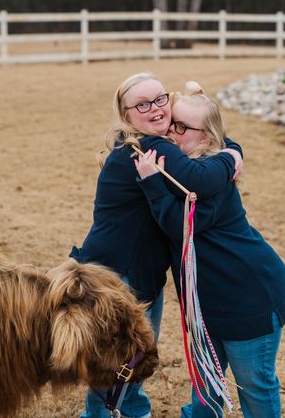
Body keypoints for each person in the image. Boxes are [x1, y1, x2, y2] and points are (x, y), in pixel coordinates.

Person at [70, 72, 243, 418]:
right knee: (118, 361)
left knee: (130, 359)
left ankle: (133, 411)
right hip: (121, 279)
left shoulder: (138, 142)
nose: (155, 109)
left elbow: (203, 137)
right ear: (126, 113)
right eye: (143, 104)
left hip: (125, 272)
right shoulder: (150, 146)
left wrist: (227, 146)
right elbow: (201, 180)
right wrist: (232, 155)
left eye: (161, 99)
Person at [135, 84, 285, 418]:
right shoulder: (188, 166)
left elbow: (180, 225)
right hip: (206, 308)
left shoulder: (212, 179)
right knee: (205, 390)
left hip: (248, 300)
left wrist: (150, 184)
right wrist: (234, 150)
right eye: (173, 122)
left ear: (205, 138)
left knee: (254, 388)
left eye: (182, 128)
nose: (172, 132)